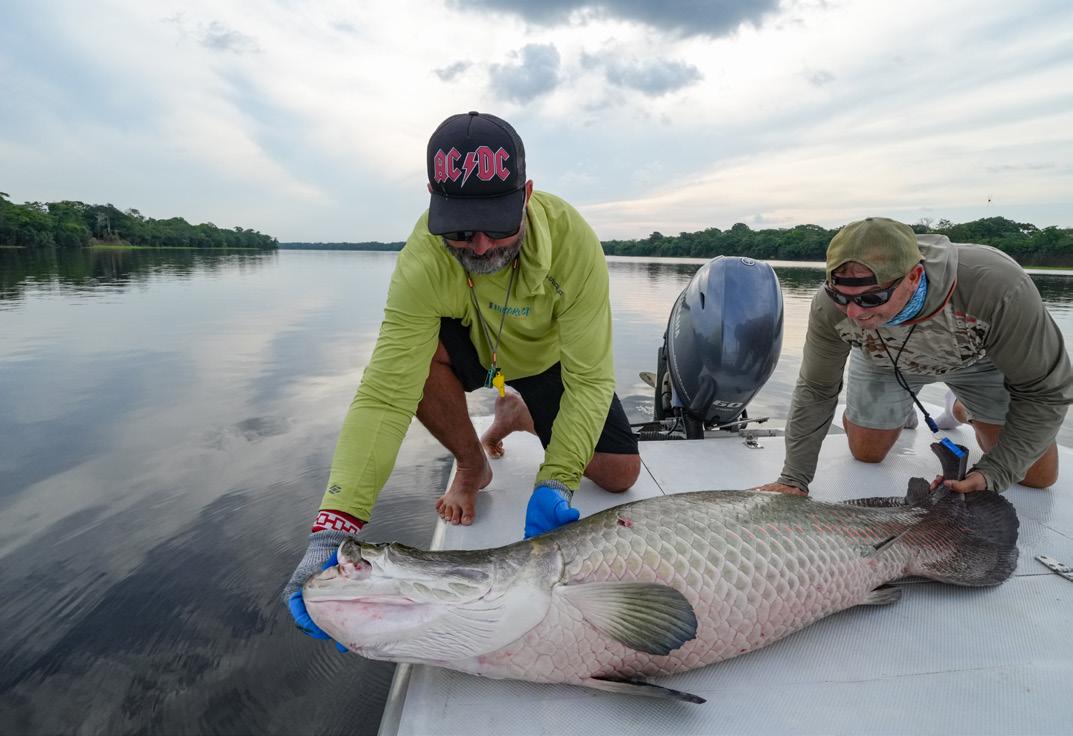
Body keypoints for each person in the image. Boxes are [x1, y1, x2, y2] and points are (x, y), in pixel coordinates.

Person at [282, 111, 640, 642]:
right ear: (433, 200)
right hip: (475, 348)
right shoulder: (423, 258)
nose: (480, 246)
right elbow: (385, 392)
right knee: (413, 361)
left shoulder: (573, 242)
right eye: (460, 229)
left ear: (527, 196)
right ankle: (473, 464)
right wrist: (333, 527)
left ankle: (520, 414)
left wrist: (556, 479)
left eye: (498, 225)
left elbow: (590, 380)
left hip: (550, 359)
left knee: (619, 474)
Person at [757, 216, 1073, 497]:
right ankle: (898, 407)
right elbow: (816, 389)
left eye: (872, 297)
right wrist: (794, 478)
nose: (853, 313)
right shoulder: (830, 307)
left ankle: (960, 407)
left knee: (1036, 477)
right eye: (839, 296)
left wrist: (996, 470)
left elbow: (1045, 391)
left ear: (913, 277)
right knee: (867, 453)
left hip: (976, 361)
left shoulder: (998, 286)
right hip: (884, 360)